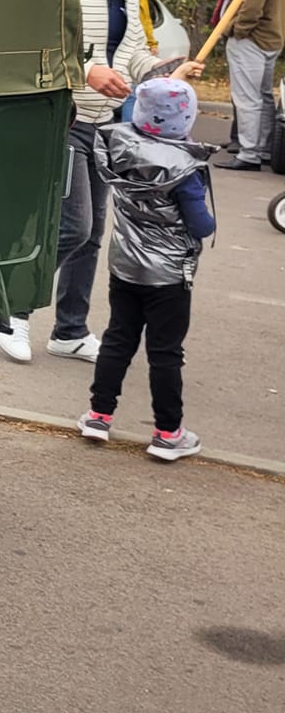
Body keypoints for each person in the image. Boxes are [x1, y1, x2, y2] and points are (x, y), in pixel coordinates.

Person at [0, 0, 194, 366]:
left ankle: (69, 331)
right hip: (65, 121)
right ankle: (10, 311)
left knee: (92, 235)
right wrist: (88, 72)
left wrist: (167, 71)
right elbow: (40, 44)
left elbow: (132, 55)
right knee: (74, 226)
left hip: (105, 127)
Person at [79, 77, 214, 461]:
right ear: (185, 119)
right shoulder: (184, 168)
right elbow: (201, 225)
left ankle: (98, 415)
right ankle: (168, 433)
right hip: (169, 276)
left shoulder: (119, 147)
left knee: (117, 339)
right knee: (165, 352)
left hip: (125, 266)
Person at [215, 0, 282, 170]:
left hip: (252, 39)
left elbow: (252, 7)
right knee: (263, 96)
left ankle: (249, 153)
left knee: (247, 98)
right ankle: (263, 148)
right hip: (271, 38)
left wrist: (236, 31)